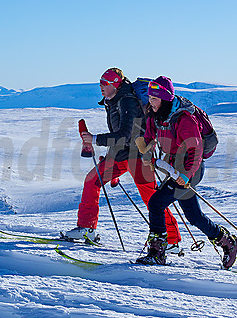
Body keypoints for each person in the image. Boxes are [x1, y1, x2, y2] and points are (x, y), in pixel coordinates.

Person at [63, 68, 180, 246]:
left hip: (138, 157)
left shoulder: (127, 101)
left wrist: (95, 139)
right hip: (119, 155)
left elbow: (126, 134)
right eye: (100, 82)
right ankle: (86, 229)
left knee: (152, 199)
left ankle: (171, 240)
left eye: (105, 83)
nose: (101, 86)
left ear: (116, 84)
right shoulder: (112, 100)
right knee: (91, 180)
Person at [135, 75, 237, 268]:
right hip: (174, 167)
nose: (150, 103)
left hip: (190, 169)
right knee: (194, 216)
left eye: (154, 98)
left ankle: (157, 252)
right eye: (150, 98)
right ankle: (228, 242)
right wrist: (147, 151)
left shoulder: (184, 118)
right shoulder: (155, 114)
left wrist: (186, 175)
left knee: (156, 203)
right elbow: (149, 136)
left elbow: (196, 149)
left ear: (165, 98)